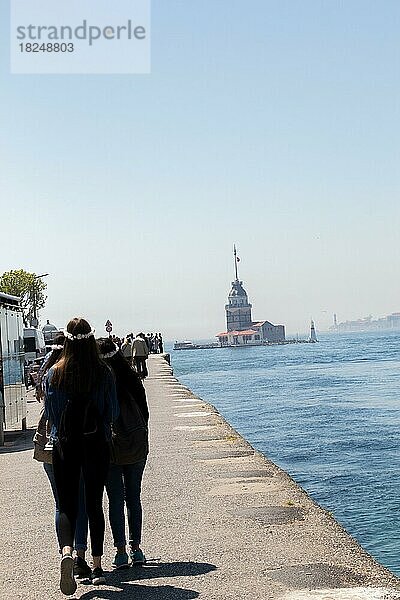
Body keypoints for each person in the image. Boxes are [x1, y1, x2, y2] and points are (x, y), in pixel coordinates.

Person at [45, 317, 119, 595]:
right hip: (96, 445)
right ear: (92, 339)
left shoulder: (54, 373)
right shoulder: (104, 373)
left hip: (64, 445)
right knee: (94, 504)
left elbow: (52, 415)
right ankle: (98, 567)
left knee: (66, 505)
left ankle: (68, 552)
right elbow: (113, 412)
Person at [33, 334, 91, 578]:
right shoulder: (73, 374)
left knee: (61, 504)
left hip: (50, 446)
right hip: (75, 444)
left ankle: (64, 551)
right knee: (81, 503)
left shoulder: (48, 374)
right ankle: (80, 557)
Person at [97, 337, 149, 568]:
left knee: (115, 499)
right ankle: (136, 548)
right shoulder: (132, 379)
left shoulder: (99, 382)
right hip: (136, 446)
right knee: (134, 497)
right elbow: (145, 413)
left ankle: (120, 552)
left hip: (110, 448)